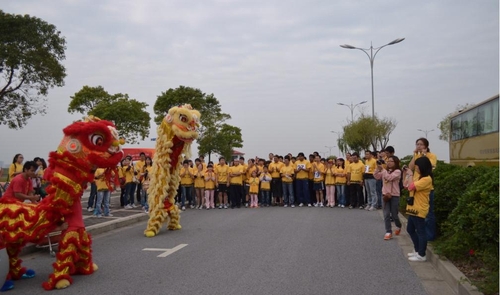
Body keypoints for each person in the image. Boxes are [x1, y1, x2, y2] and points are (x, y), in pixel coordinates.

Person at [408, 138, 438, 241]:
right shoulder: (417, 155)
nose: (419, 146)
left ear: (426, 146)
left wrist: (424, 155)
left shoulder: (431, 156)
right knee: (418, 212)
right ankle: (422, 232)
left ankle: (430, 235)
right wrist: (414, 155)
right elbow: (410, 167)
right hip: (416, 187)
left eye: (421, 144)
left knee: (429, 212)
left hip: (426, 187)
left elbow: (431, 166)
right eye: (417, 144)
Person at [406, 156, 433, 262]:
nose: (416, 168)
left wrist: (411, 174)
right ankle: (417, 250)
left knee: (421, 232)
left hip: (420, 208)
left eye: (417, 166)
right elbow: (406, 184)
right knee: (410, 229)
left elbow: (411, 187)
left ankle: (422, 254)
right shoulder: (420, 177)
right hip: (413, 207)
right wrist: (407, 174)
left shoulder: (427, 179)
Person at [374, 156, 402, 240]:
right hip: (385, 195)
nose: (389, 163)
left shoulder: (397, 171)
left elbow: (389, 177)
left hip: (394, 195)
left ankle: (398, 225)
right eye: (388, 161)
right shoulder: (385, 171)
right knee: (386, 214)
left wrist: (383, 170)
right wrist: (377, 169)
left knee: (394, 214)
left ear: (395, 163)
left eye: (391, 161)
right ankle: (388, 231)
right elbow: (377, 177)